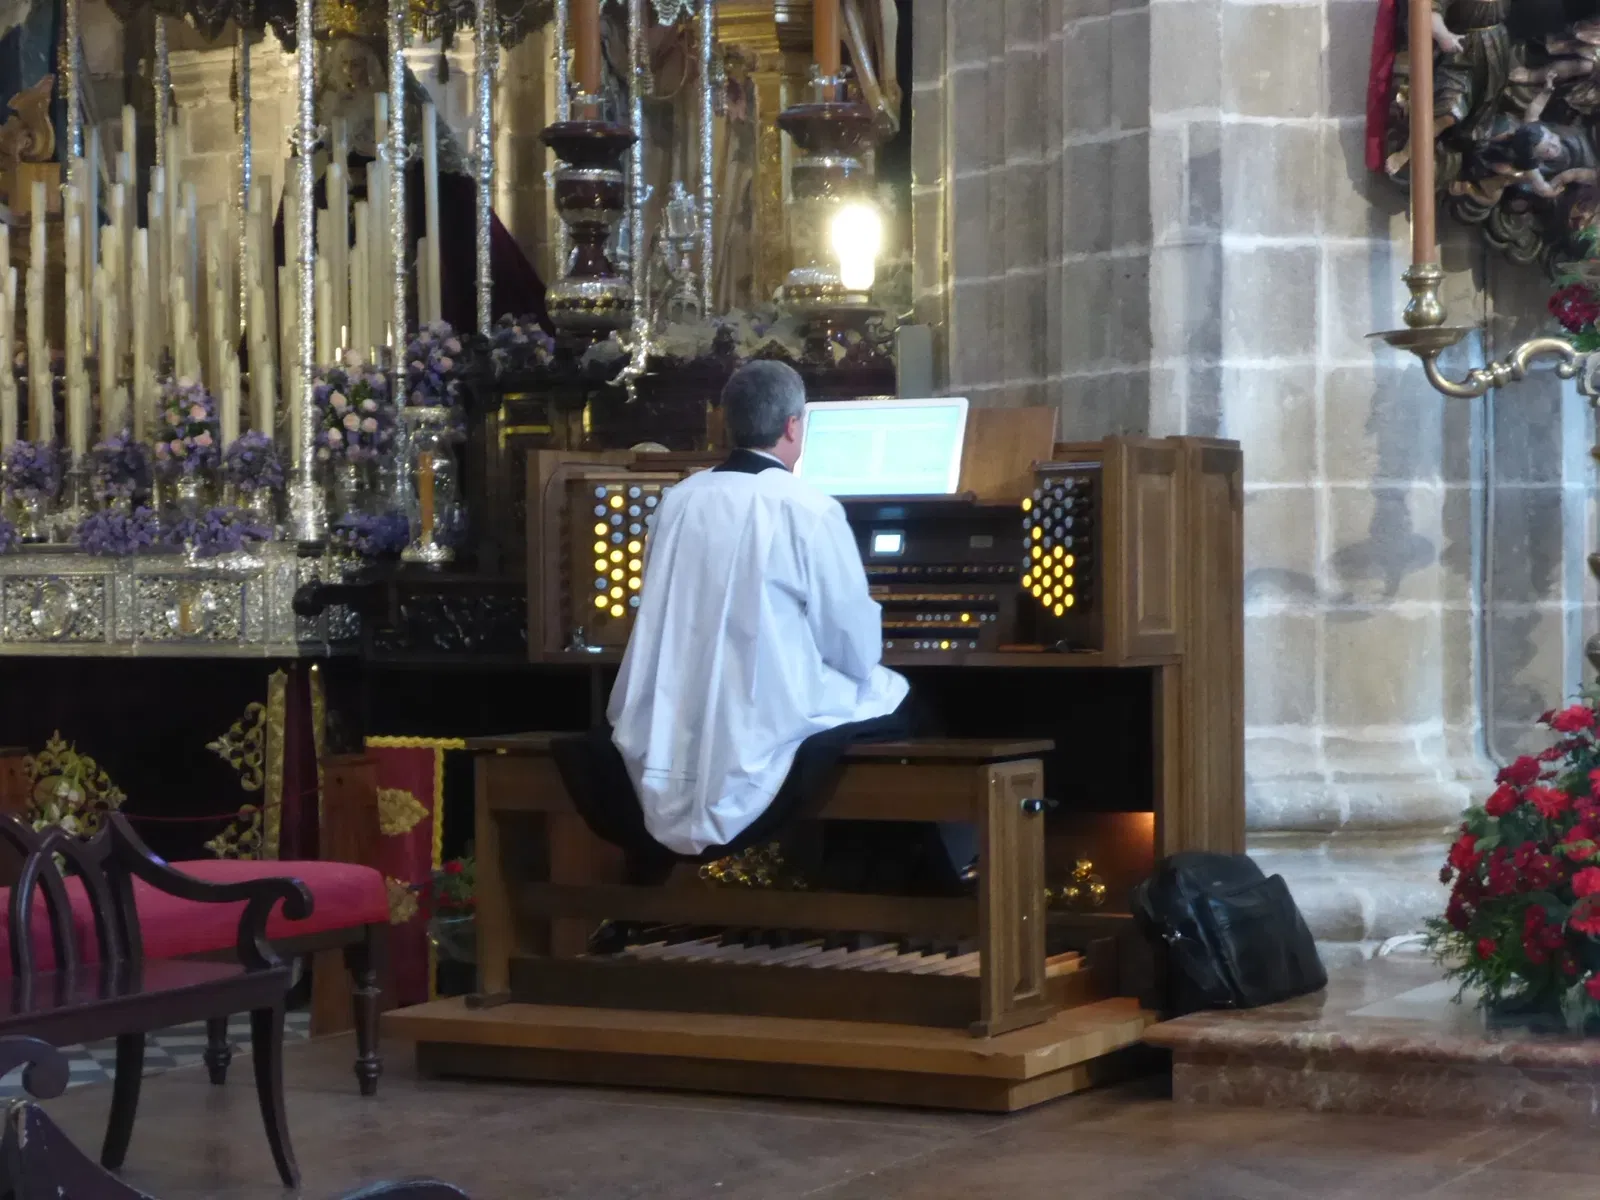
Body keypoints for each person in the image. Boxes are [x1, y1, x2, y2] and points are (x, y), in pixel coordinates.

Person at [553, 360, 974, 898]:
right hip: (759, 722)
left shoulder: (679, 499)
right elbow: (851, 645)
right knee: (909, 702)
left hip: (674, 714)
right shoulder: (808, 507)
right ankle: (919, 890)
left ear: (729, 422)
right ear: (794, 427)